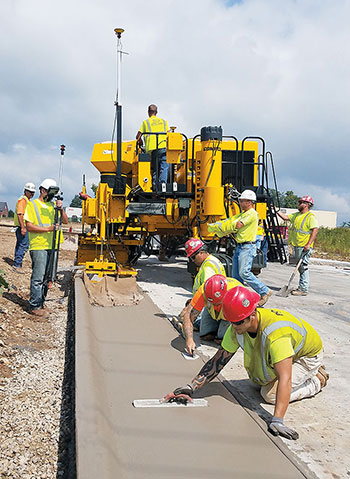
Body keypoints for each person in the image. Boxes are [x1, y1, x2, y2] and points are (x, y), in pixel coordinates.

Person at [165, 285, 328, 440]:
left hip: (305, 356)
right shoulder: (238, 325)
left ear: (252, 315)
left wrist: (277, 420)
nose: (234, 326)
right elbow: (219, 360)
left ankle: (316, 380)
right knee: (256, 381)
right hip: (284, 351)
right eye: (231, 322)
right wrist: (191, 387)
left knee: (269, 395)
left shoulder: (275, 335)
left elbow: (285, 378)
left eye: (237, 323)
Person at [208, 189, 272, 306]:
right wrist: (219, 226)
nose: (240, 203)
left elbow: (237, 225)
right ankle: (237, 298)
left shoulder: (252, 214)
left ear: (250, 202)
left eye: (242, 201)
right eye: (240, 201)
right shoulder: (243, 214)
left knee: (244, 273)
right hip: (240, 247)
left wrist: (222, 228)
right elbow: (231, 221)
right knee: (236, 276)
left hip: (247, 247)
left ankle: (264, 291)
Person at [24, 178, 68, 318]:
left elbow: (65, 221)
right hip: (39, 245)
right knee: (38, 277)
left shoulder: (53, 206)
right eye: (50, 192)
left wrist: (60, 208)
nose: (51, 196)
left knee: (48, 277)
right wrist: (48, 229)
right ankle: (34, 306)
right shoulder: (33, 205)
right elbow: (29, 226)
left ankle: (41, 302)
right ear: (43, 190)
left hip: (52, 245)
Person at [179, 274, 242, 354]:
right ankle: (201, 322)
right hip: (212, 312)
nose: (215, 305)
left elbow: (246, 319)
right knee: (205, 335)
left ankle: (220, 329)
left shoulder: (237, 293)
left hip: (230, 316)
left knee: (223, 340)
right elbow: (188, 315)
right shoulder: (203, 291)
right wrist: (189, 339)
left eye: (218, 302)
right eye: (213, 302)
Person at [277, 195, 318, 296]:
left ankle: (303, 289)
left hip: (304, 246)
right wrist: (275, 210)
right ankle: (302, 287)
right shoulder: (296, 215)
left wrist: (308, 244)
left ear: (306, 205)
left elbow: (315, 231)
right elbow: (285, 218)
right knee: (299, 267)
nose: (298, 204)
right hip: (297, 245)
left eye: (300, 203)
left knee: (303, 266)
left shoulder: (310, 217)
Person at [136, 104, 169, 190]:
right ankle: (163, 185)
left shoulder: (146, 122)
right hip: (163, 146)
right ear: (156, 112)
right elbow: (169, 134)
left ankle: (155, 186)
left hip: (152, 149)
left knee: (155, 168)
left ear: (148, 112)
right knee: (164, 166)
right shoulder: (164, 122)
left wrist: (140, 142)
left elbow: (138, 136)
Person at [13, 182, 36, 272]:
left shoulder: (27, 200)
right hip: (23, 227)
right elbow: (20, 214)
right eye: (30, 192)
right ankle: (17, 264)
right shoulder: (23, 200)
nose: (32, 194)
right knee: (23, 245)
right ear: (25, 191)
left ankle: (17, 263)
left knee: (20, 245)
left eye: (33, 192)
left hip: (23, 227)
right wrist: (23, 227)